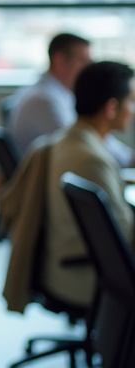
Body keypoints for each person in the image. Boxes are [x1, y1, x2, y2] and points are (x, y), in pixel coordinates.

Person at [44, 61, 135, 306]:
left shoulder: (68, 140)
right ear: (111, 108)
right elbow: (125, 239)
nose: (134, 110)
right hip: (87, 276)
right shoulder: (93, 160)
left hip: (66, 264)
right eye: (131, 101)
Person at [8, 34, 133, 166]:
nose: (89, 69)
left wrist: (127, 156)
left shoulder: (59, 94)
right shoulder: (45, 100)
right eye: (84, 61)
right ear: (60, 61)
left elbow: (92, 134)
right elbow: (80, 142)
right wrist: (128, 159)